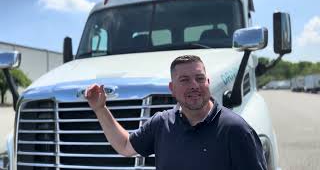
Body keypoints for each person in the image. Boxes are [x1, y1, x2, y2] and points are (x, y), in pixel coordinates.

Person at [85, 55, 267, 170]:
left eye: (199, 78)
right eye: (185, 80)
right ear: (172, 88)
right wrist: (100, 109)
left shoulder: (236, 130)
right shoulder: (161, 124)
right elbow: (125, 146)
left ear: (208, 82)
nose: (194, 85)